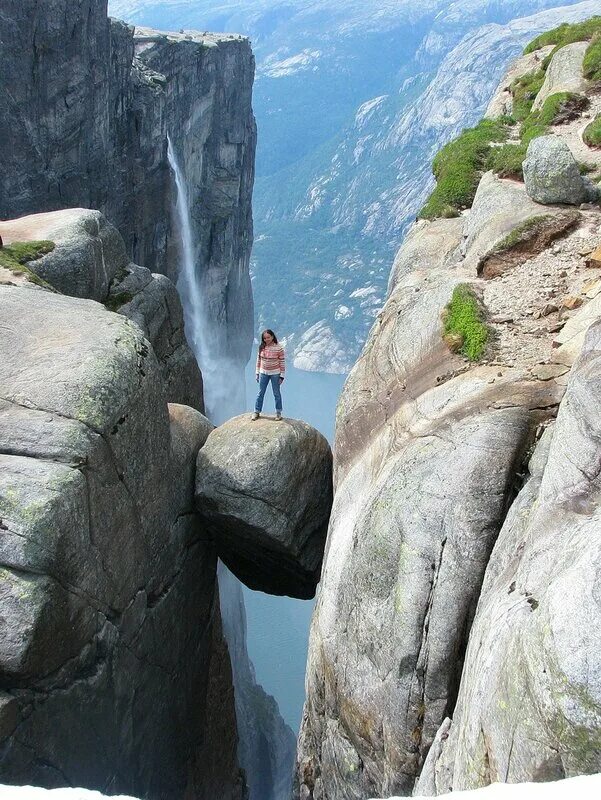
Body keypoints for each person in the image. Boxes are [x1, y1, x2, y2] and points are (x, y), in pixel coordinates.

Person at [252, 329, 285, 421]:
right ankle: (256, 411)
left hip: (275, 374)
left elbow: (282, 362)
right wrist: (257, 373)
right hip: (263, 373)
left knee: (276, 393)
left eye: (268, 337)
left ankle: (278, 413)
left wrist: (282, 376)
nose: (266, 339)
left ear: (272, 337)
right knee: (260, 393)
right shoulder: (262, 347)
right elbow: (258, 360)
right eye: (265, 338)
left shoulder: (279, 348)